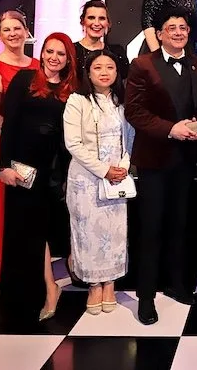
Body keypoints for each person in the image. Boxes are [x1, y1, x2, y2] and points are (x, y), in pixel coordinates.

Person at [124, 7, 197, 325]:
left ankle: (176, 284)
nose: (178, 32)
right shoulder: (142, 65)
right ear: (159, 34)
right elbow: (134, 111)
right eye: (171, 28)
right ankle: (146, 297)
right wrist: (171, 129)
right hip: (154, 161)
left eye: (183, 28)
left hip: (185, 161)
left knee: (179, 225)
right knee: (151, 229)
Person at [0, 32, 78, 322]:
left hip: (54, 170)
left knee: (44, 230)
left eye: (60, 54)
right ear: (41, 53)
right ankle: (41, 290)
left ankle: (51, 287)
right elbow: (9, 125)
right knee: (24, 232)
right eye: (49, 51)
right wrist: (5, 165)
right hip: (22, 168)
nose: (54, 58)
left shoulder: (72, 90)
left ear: (68, 59)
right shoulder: (24, 80)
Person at [63, 49, 134, 315]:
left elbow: (130, 139)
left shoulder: (121, 102)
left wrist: (123, 166)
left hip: (116, 180)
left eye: (110, 67)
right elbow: (73, 144)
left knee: (115, 232)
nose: (104, 72)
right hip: (86, 179)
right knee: (88, 234)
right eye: (98, 68)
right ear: (88, 73)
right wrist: (103, 170)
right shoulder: (77, 101)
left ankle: (110, 283)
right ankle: (93, 285)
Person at [0, 10, 39, 282]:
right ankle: (3, 272)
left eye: (17, 28)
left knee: (28, 211)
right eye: (7, 30)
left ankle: (28, 269)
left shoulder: (37, 65)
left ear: (26, 31)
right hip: (1, 145)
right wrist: (14, 146)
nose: (13, 34)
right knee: (3, 208)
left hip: (30, 147)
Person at [73, 0, 130, 83]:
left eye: (102, 18)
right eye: (91, 18)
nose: (97, 23)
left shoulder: (117, 52)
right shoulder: (71, 51)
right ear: (83, 21)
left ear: (108, 23)